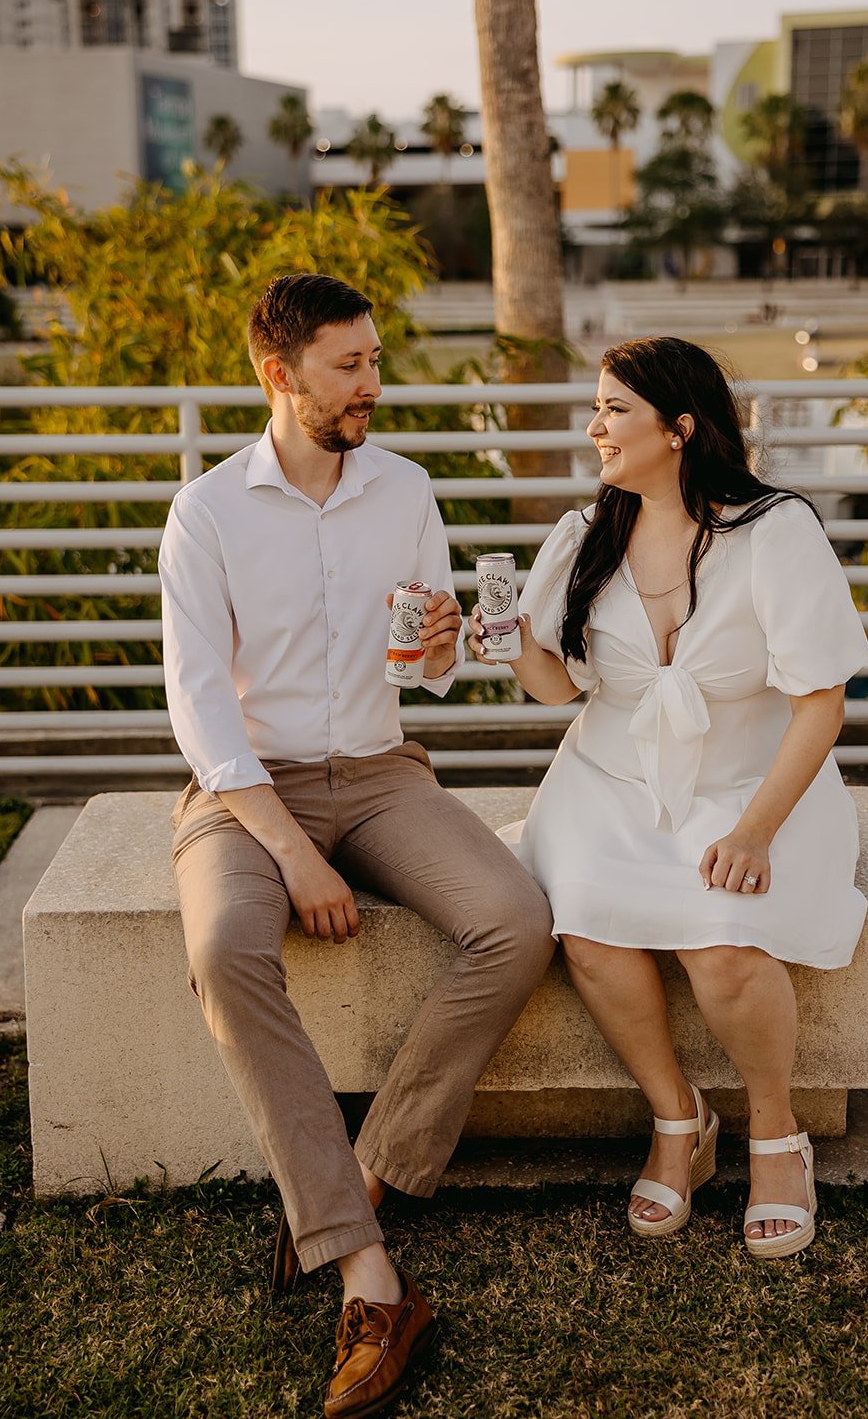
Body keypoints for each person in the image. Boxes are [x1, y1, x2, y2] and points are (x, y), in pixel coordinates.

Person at [159, 272, 554, 1416]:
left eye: (376, 360)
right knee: (230, 946)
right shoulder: (209, 512)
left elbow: (424, 666)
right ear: (280, 376)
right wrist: (288, 849)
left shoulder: (406, 489)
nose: (373, 383)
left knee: (514, 918)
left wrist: (440, 646)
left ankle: (367, 1172)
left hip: (383, 771)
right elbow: (201, 707)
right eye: (350, 366)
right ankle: (364, 1269)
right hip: (247, 790)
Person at [469, 336, 868, 1262]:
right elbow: (557, 689)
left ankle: (777, 1137)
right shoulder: (584, 535)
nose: (594, 425)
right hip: (605, 786)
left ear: (679, 428)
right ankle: (677, 1120)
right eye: (597, 406)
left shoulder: (773, 532)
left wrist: (757, 831)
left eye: (614, 408)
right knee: (590, 933)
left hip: (751, 789)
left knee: (724, 947)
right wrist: (507, 642)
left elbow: (821, 702)